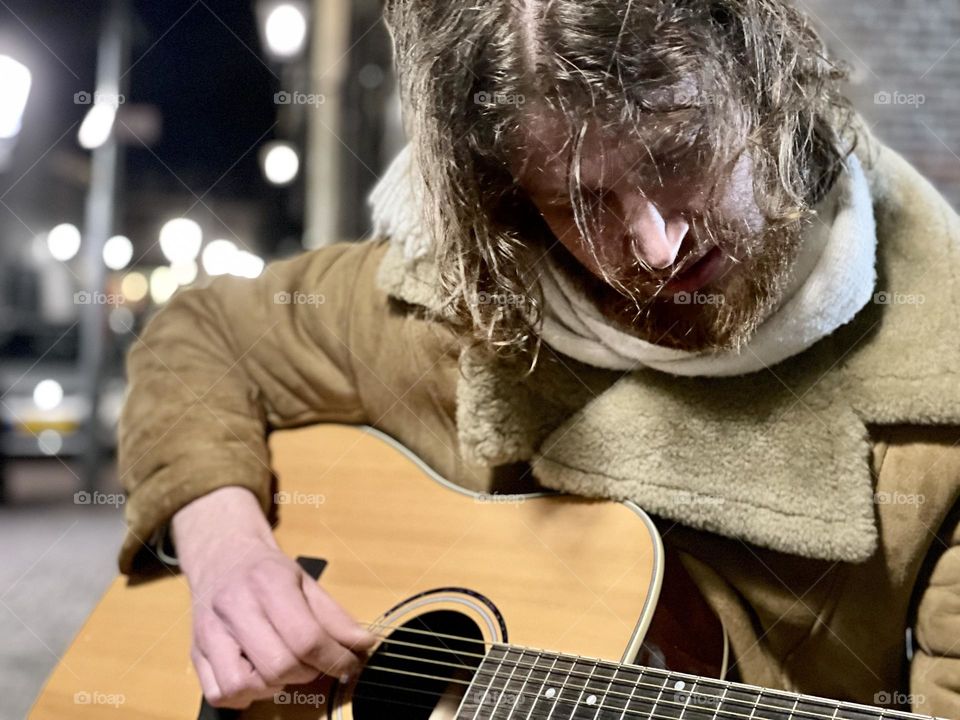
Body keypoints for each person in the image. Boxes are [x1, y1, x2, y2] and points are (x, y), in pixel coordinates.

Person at [117, 0, 960, 713]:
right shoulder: (446, 300)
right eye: (578, 202)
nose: (656, 247)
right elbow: (203, 336)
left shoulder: (941, 380)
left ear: (765, 86)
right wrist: (224, 543)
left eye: (679, 157)